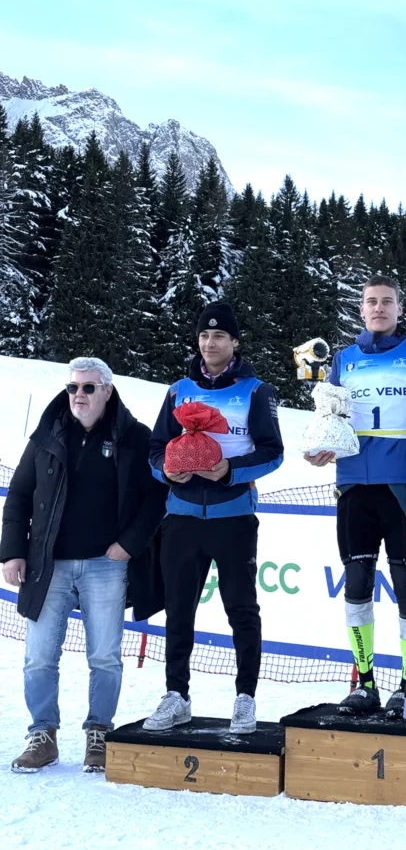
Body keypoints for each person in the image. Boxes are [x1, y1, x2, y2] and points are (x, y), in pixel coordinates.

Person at [305, 275, 406, 716]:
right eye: (371, 301)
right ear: (361, 309)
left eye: (387, 301)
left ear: (398, 308)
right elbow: (331, 417)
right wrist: (322, 446)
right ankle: (365, 683)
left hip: (403, 485)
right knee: (356, 585)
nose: (378, 308)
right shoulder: (344, 360)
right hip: (354, 484)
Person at [1, 357, 166, 773]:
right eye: (73, 387)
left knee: (105, 657)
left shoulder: (134, 436)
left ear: (107, 390)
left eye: (89, 387)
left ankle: (99, 733)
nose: (79, 395)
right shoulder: (47, 434)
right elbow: (19, 495)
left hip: (105, 566)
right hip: (48, 564)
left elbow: (156, 499)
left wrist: (129, 545)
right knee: (39, 657)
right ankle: (43, 735)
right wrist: (12, 551)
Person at [145, 302, 283, 734]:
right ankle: (177, 695)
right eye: (204, 335)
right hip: (181, 518)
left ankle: (245, 697)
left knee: (241, 609)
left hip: (233, 517)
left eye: (220, 336)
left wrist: (229, 471)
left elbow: (273, 453)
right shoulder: (178, 390)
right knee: (178, 610)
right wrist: (165, 471)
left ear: (235, 342)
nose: (210, 343)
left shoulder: (256, 391)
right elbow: (155, 449)